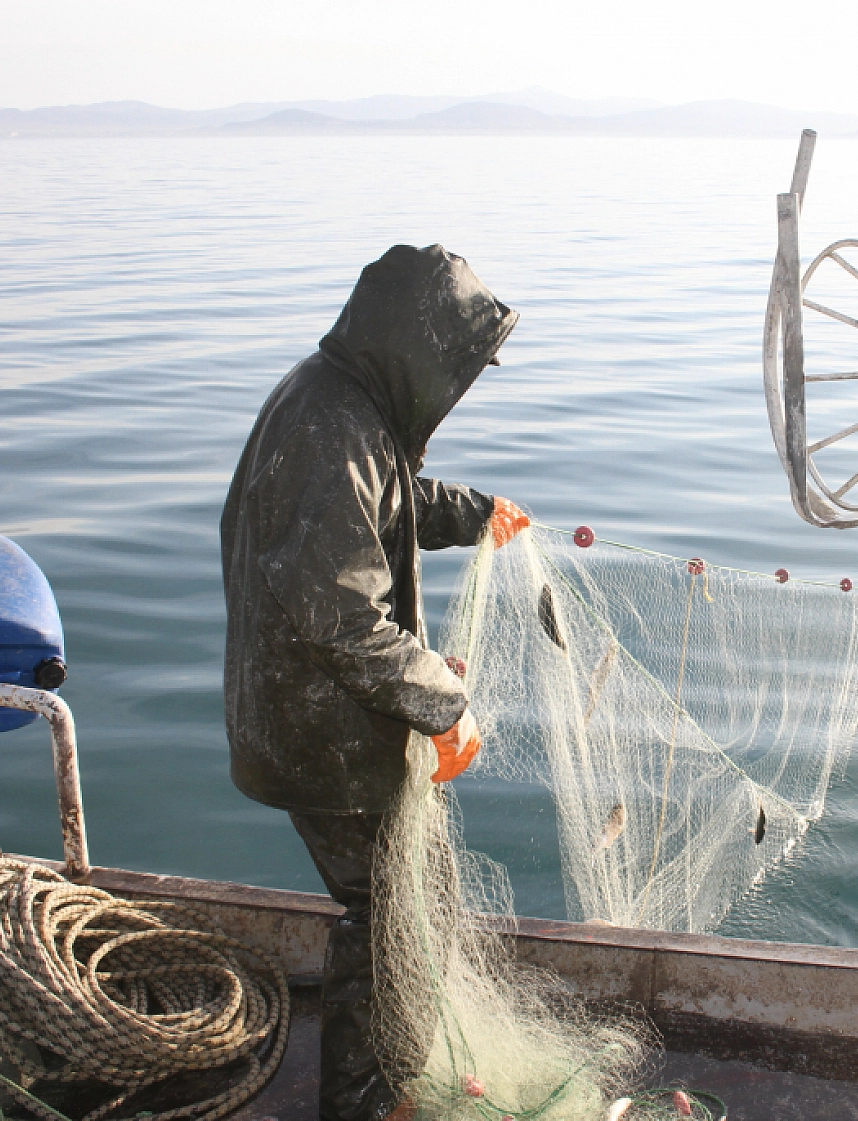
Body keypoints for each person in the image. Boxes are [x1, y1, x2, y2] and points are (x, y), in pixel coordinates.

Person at [220, 245, 528, 1121]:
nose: (465, 382)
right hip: (318, 730)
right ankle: (366, 1103)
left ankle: (384, 1084)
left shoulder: (343, 401)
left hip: (319, 715)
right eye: (461, 363)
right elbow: (344, 620)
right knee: (391, 915)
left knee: (410, 900)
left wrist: (473, 513)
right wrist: (444, 699)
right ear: (416, 348)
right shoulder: (331, 429)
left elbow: (386, 498)